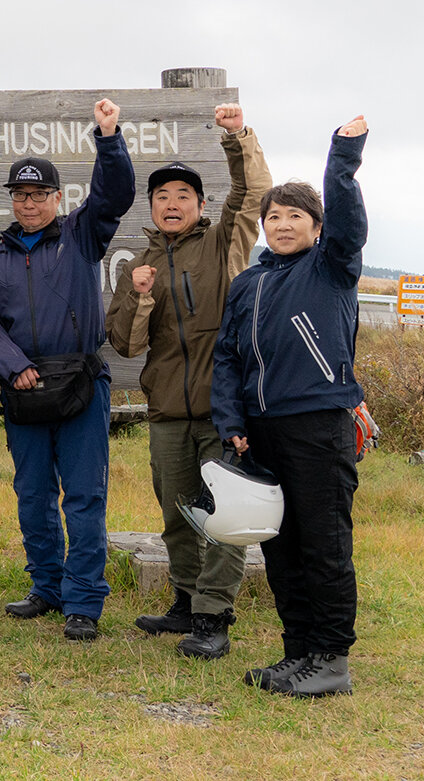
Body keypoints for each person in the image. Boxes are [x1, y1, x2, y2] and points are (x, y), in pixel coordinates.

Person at [105, 104, 272, 660]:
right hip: (167, 413)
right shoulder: (141, 262)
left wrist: (237, 138)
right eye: (161, 197)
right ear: (151, 208)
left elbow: (252, 195)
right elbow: (126, 344)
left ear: (199, 206)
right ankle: (183, 602)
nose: (171, 204)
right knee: (178, 514)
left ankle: (213, 615)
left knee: (224, 518)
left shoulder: (224, 243)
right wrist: (142, 294)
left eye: (182, 196)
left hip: (225, 410)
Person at [214, 116, 370, 698]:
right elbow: (227, 359)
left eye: (295, 216)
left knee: (322, 545)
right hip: (260, 431)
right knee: (279, 547)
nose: (281, 224)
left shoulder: (331, 268)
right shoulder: (247, 284)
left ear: (316, 227)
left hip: (319, 424)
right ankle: (298, 653)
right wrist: (231, 422)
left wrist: (343, 154)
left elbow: (348, 219)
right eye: (273, 216)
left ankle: (331, 657)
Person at [0, 99, 135, 642]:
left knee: (85, 496)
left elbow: (115, 195)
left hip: (81, 385)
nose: (29, 204)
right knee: (32, 493)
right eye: (20, 196)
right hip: (24, 390)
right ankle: (47, 586)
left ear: (56, 198)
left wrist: (108, 138)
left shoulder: (82, 235)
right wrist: (13, 367)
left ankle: (84, 602)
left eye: (39, 195)